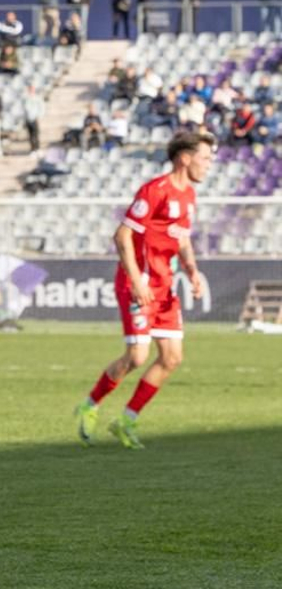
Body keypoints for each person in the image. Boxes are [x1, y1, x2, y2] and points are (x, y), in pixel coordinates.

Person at [74, 130, 215, 450]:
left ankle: (126, 419)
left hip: (165, 286)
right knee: (138, 355)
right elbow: (122, 236)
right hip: (137, 283)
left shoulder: (189, 195)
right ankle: (90, 404)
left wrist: (192, 269)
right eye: (205, 158)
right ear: (185, 158)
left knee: (172, 357)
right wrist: (137, 280)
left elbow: (181, 238)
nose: (209, 165)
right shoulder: (155, 191)